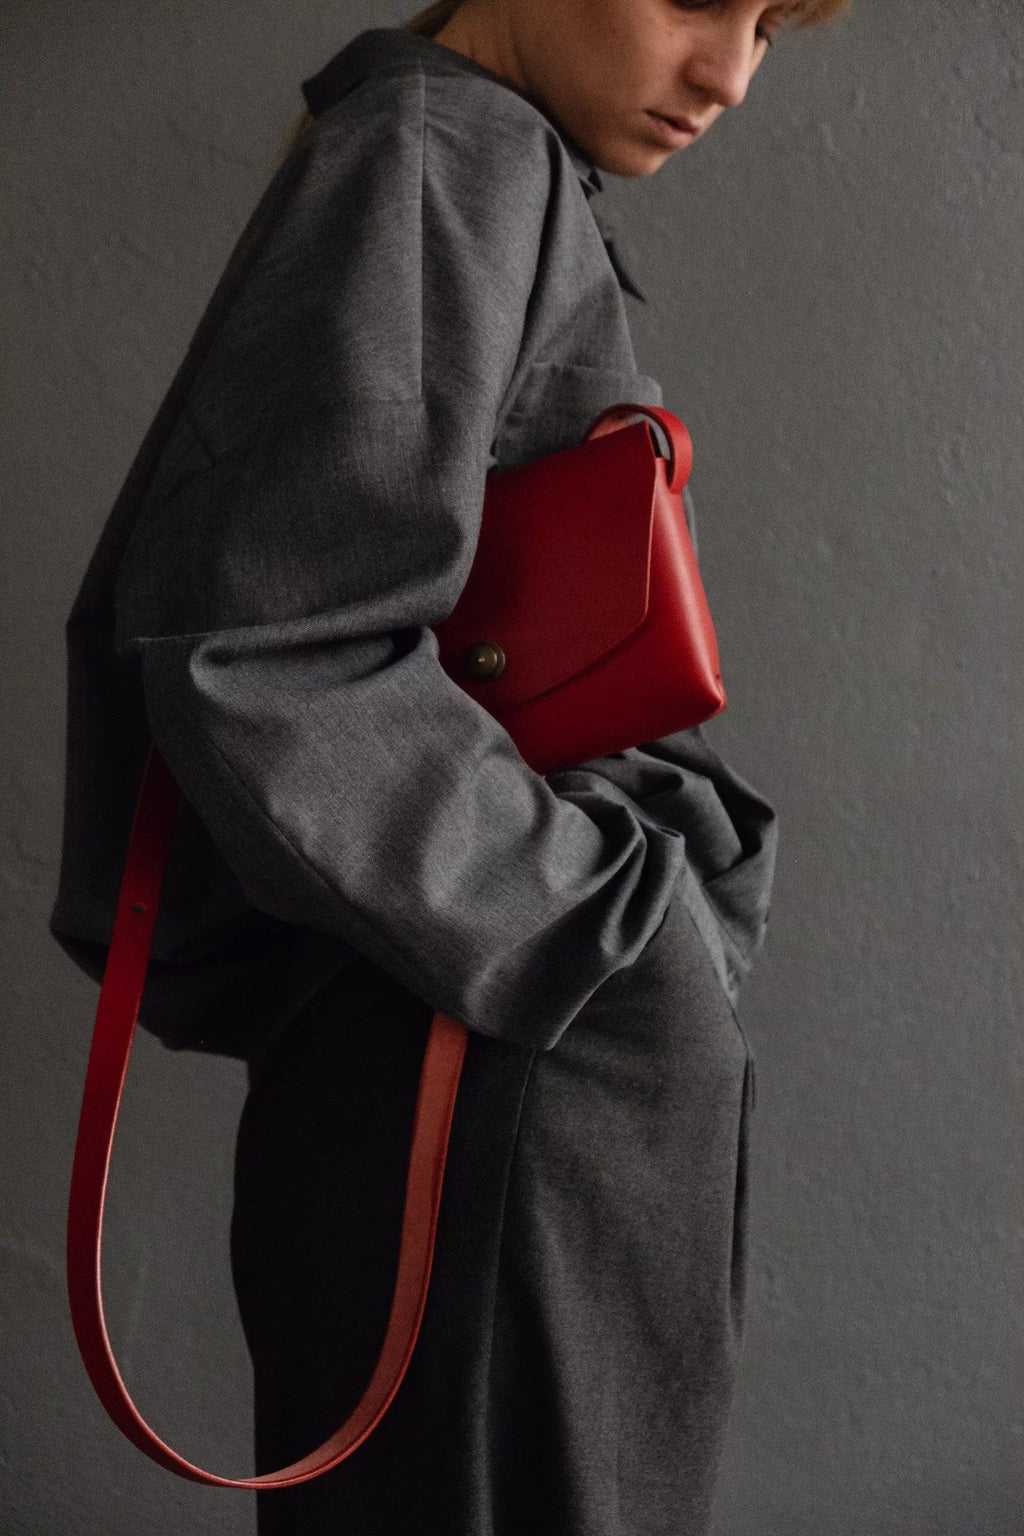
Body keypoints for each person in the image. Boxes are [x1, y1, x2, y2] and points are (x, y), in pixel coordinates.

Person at [49, 1, 850, 1531]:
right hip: (490, 1069)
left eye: (771, 27)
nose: (732, 76)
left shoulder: (480, 156)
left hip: (490, 1050)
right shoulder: (443, 152)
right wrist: (605, 927)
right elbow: (270, 648)